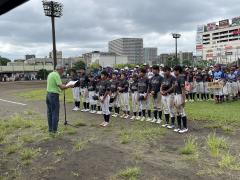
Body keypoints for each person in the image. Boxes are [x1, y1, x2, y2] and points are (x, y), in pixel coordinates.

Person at [46, 65, 73, 133]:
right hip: (53, 96)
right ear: (60, 69)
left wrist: (64, 86)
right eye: (63, 70)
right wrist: (69, 86)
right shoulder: (56, 75)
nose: (63, 71)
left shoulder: (50, 74)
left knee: (50, 113)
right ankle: (54, 130)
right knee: (55, 113)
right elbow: (61, 87)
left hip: (48, 94)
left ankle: (50, 129)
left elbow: (56, 85)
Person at [173, 65, 188, 133]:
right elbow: (175, 89)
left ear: (178, 71)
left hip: (180, 95)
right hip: (176, 95)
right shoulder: (176, 78)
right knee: (177, 112)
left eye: (175, 71)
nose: (174, 72)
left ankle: (185, 127)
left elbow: (183, 90)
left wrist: (183, 100)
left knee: (182, 111)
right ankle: (179, 127)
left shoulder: (181, 78)